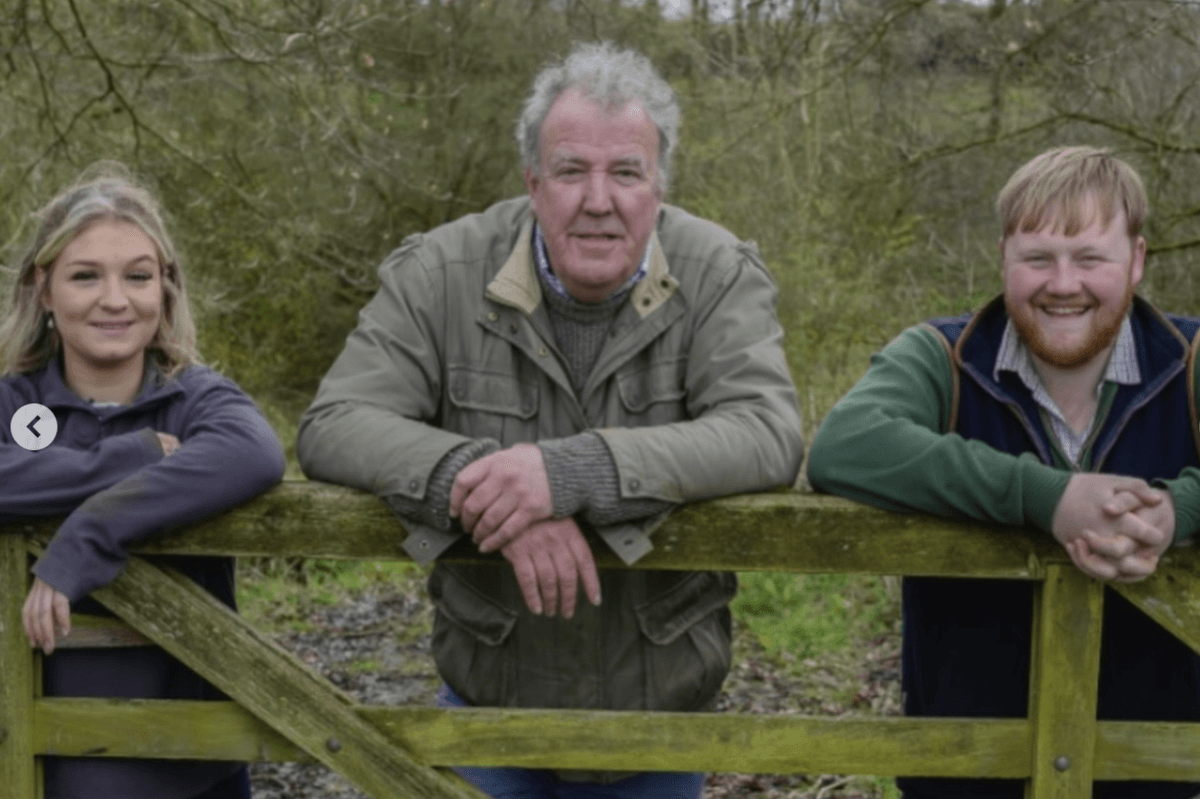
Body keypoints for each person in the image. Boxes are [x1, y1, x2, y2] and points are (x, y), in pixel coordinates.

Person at [297, 41, 803, 799]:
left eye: (626, 172)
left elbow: (767, 430)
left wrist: (571, 473)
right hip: (488, 694)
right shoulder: (439, 273)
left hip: (658, 709)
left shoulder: (718, 272)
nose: (598, 199)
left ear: (658, 184)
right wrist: (484, 482)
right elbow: (336, 421)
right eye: (571, 170)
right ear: (534, 182)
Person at [807, 145, 1200, 799]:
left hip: (1158, 774)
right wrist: (1045, 496)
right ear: (1004, 259)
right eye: (1038, 257)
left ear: (1135, 259)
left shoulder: (1189, 363)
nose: (1063, 283)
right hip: (965, 773)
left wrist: (1175, 510)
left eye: (1090, 258)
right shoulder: (941, 356)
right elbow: (844, 445)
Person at [0, 163, 286, 799]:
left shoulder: (193, 399)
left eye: (137, 276)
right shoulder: (14, 404)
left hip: (191, 751)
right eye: (85, 276)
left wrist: (90, 533)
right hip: (40, 748)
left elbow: (255, 452)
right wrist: (128, 460)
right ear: (44, 290)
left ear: (165, 288)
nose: (114, 299)